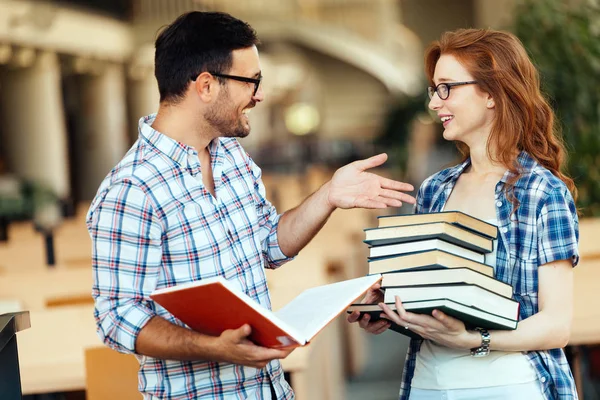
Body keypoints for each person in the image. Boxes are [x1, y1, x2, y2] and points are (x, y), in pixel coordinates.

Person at [86, 11, 415, 400]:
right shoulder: (131, 189)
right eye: (251, 81)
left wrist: (328, 196)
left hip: (269, 390)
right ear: (206, 85)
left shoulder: (231, 157)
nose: (258, 95)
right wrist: (215, 347)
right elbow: (117, 319)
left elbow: (268, 245)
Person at [348, 28, 579, 400]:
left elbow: (556, 326)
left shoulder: (542, 192)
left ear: (491, 93)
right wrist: (391, 312)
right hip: (427, 382)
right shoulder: (434, 188)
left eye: (447, 88)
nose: (434, 104)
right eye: (433, 90)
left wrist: (472, 339)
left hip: (505, 383)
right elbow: (435, 303)